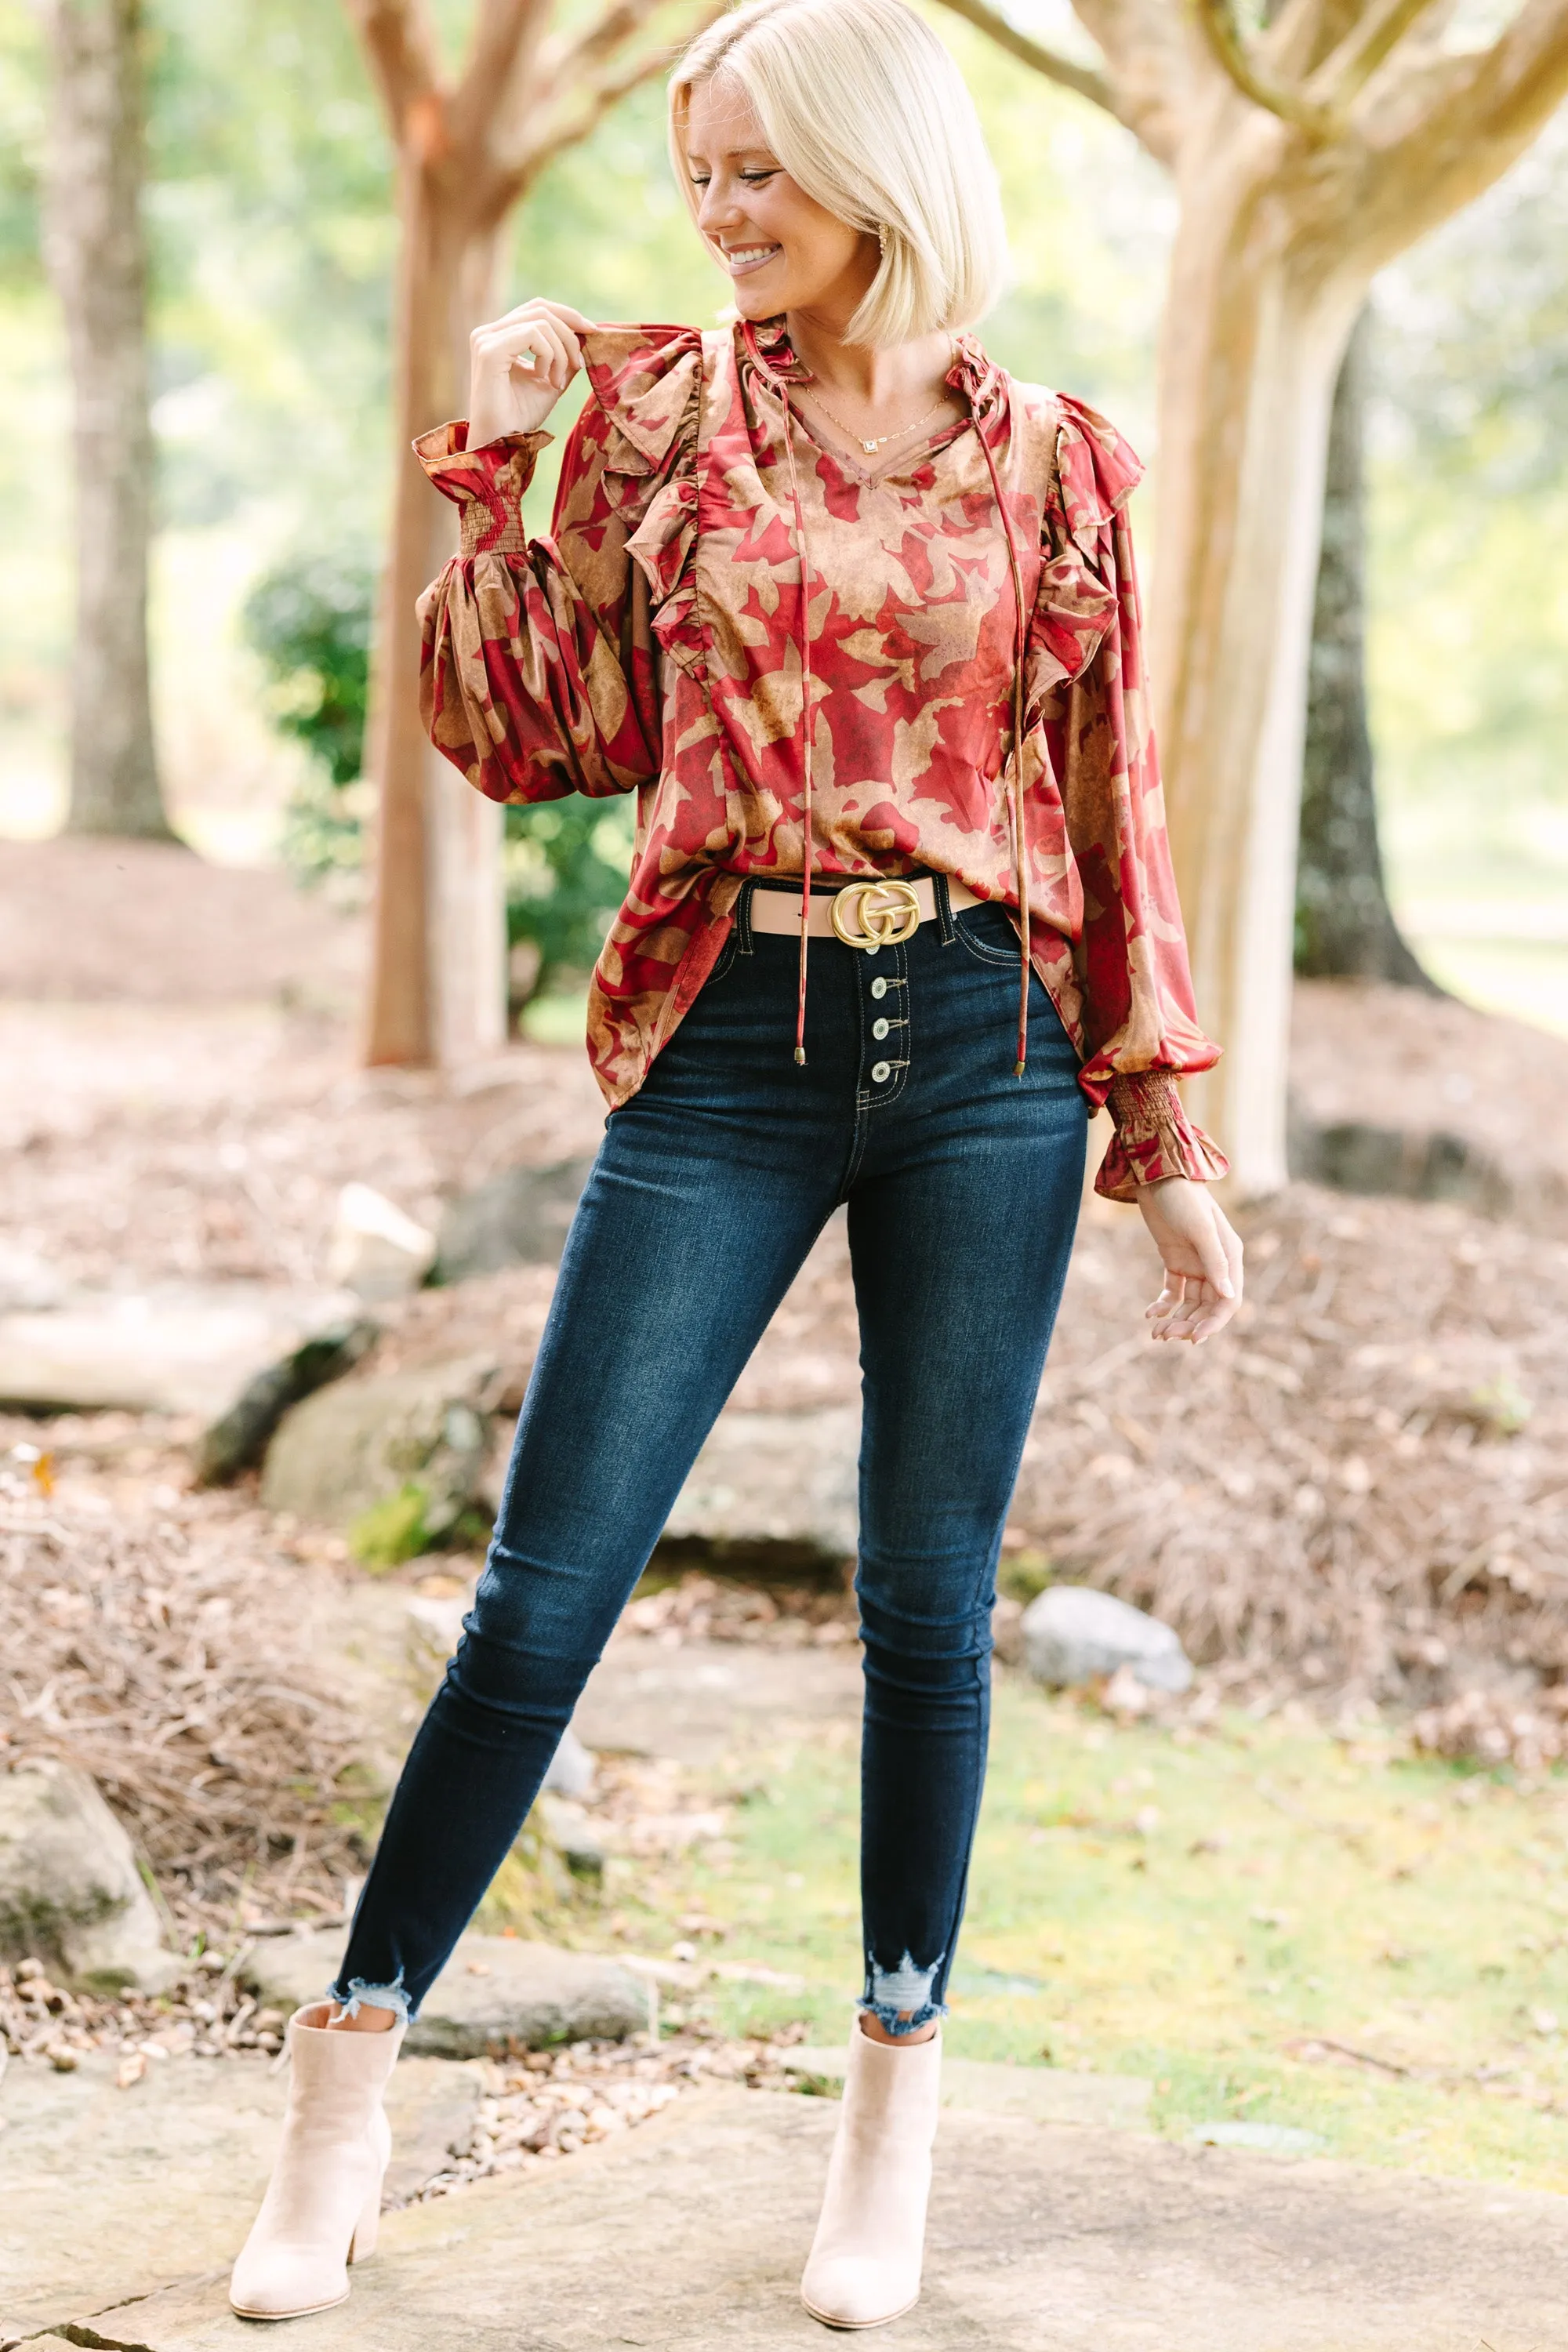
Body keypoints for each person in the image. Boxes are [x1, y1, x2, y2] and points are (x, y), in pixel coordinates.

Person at [228, 0, 1243, 2328]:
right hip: (730, 1045)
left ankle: (892, 2100)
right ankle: (347, 2084)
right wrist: (503, 465)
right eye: (699, 174)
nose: (716, 216)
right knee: (546, 1591)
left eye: (757, 171)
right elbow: (526, 735)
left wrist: (1162, 1127)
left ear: (881, 164)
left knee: (925, 1605)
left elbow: (1117, 807)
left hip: (988, 1048)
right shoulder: (670, 415)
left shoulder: (1061, 462)